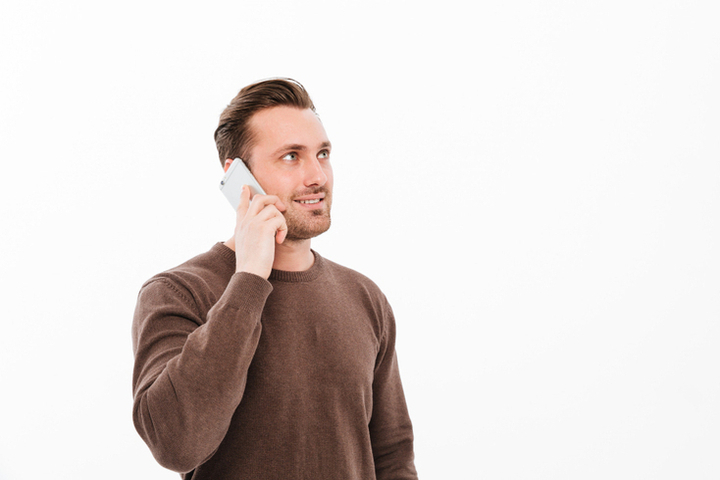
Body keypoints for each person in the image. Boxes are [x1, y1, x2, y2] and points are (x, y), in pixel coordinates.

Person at [131, 78, 418, 479]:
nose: (317, 176)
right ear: (237, 176)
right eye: (291, 157)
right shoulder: (178, 293)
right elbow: (176, 444)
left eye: (322, 154)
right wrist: (249, 278)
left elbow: (392, 456)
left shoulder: (364, 296)